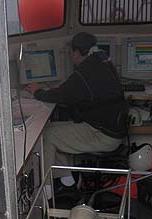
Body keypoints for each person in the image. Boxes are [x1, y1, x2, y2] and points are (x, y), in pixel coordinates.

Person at [26, 32, 127, 196]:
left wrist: (37, 91)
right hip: (109, 129)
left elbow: (59, 96)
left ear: (77, 52)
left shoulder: (86, 70)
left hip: (102, 135)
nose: (71, 56)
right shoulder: (103, 61)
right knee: (51, 128)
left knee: (46, 136)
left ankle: (46, 192)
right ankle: (67, 181)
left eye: (71, 52)